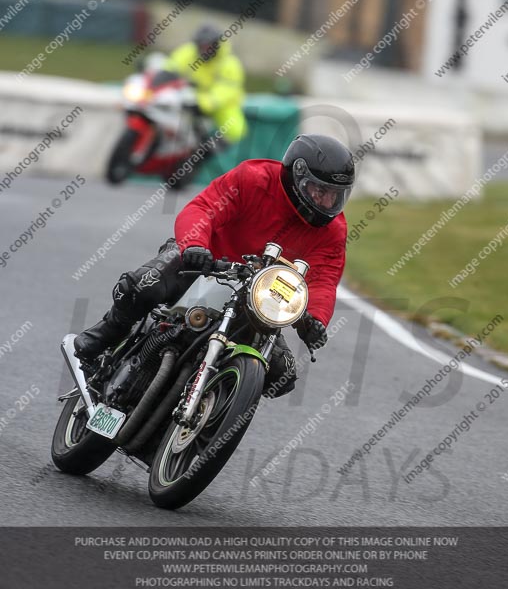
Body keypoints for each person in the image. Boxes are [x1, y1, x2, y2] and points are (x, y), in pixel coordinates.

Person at [74, 134, 355, 397]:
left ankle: (214, 407)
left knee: (282, 376)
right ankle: (104, 336)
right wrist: (196, 245)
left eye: (334, 195)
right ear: (297, 177)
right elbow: (203, 209)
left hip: (258, 299)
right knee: (142, 286)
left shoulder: (334, 230)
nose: (326, 201)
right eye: (319, 191)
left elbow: (323, 278)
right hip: (205, 264)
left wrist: (316, 319)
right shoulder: (253, 178)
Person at [162, 23, 247, 151]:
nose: (204, 49)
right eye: (202, 46)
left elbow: (224, 92)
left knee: (235, 129)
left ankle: (210, 153)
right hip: (190, 96)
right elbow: (170, 67)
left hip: (219, 104)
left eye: (208, 46)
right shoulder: (189, 52)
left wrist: (203, 102)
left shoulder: (229, 63)